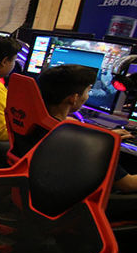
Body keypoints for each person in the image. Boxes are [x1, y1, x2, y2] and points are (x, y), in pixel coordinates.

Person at [38, 64, 137, 192]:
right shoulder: (82, 142)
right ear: (73, 98)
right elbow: (129, 184)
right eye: (88, 91)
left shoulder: (39, 122)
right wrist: (100, 141)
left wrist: (104, 135)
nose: (87, 96)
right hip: (84, 199)